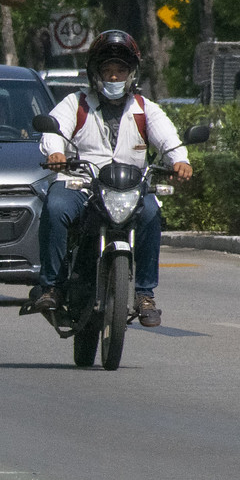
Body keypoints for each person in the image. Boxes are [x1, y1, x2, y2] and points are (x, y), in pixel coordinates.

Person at [29, 30, 193, 326]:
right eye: (108, 71)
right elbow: (53, 132)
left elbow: (169, 140)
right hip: (80, 185)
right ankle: (50, 286)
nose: (114, 78)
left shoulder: (145, 109)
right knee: (54, 208)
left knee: (152, 213)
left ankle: (145, 295)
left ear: (131, 75)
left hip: (130, 189)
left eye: (120, 71)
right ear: (95, 74)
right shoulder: (75, 104)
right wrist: (55, 153)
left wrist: (180, 161)